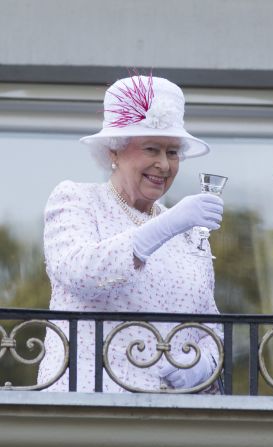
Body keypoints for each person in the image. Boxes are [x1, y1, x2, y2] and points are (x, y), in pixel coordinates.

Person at [37, 74, 224, 393]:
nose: (164, 165)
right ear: (114, 151)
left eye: (173, 152)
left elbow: (210, 325)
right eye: (152, 149)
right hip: (88, 408)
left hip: (173, 415)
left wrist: (201, 367)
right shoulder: (77, 200)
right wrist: (168, 224)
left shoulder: (188, 231)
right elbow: (79, 272)